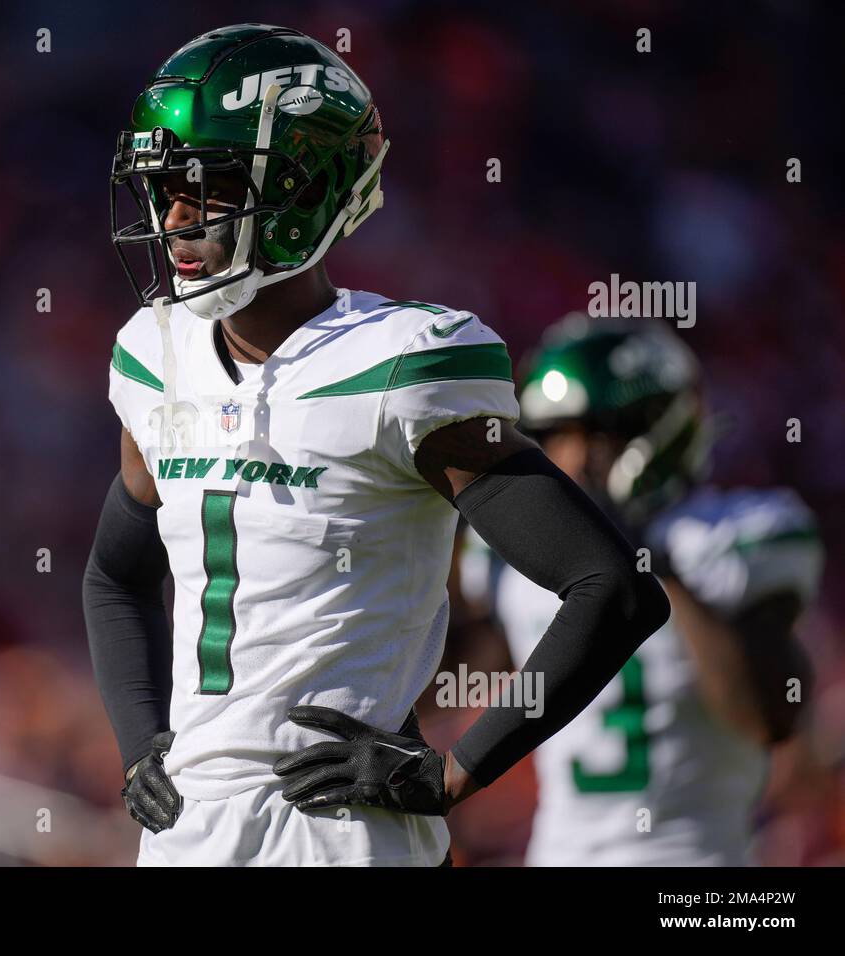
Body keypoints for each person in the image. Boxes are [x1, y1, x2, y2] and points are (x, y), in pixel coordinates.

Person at [85, 24, 669, 866]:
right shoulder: (153, 356)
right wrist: (143, 739)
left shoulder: (403, 363)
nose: (172, 215)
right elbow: (114, 576)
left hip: (341, 841)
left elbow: (612, 588)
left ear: (301, 191)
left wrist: (454, 774)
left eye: (204, 186)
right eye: (161, 186)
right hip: (186, 842)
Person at [458, 314, 822, 865]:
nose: (575, 461)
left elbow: (771, 717)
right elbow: (458, 677)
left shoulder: (727, 536)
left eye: (600, 434)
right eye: (557, 436)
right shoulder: (513, 558)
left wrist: (650, 561)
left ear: (662, 427)